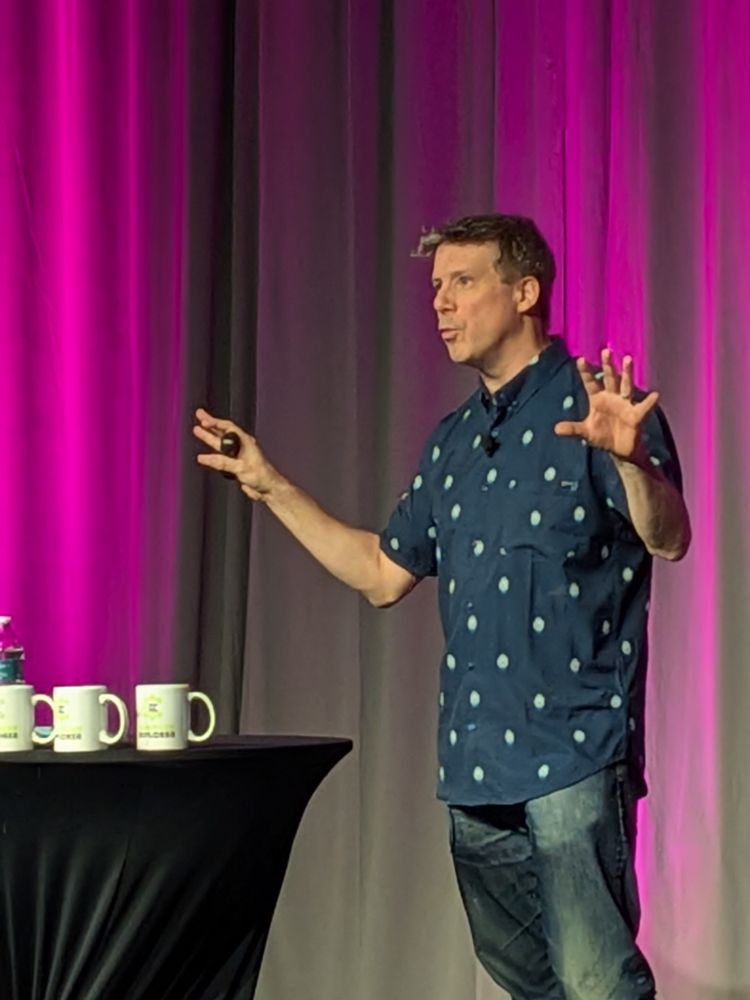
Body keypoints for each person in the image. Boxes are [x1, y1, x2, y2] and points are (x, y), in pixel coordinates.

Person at [193, 214, 690, 1000]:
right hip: (474, 763)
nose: (440, 303)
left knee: (596, 981)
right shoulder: (454, 441)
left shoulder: (596, 407)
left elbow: (669, 539)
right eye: (435, 288)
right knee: (528, 980)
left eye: (462, 282)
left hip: (574, 753)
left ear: (524, 292)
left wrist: (631, 462)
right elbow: (381, 574)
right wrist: (268, 485)